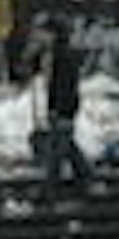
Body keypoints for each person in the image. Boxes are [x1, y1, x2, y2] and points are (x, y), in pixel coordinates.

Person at [36, 19, 92, 194]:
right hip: (63, 107)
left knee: (57, 149)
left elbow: (64, 86)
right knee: (66, 146)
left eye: (44, 33)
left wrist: (57, 108)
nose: (41, 37)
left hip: (63, 108)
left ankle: (51, 186)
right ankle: (84, 176)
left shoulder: (62, 56)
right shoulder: (57, 54)